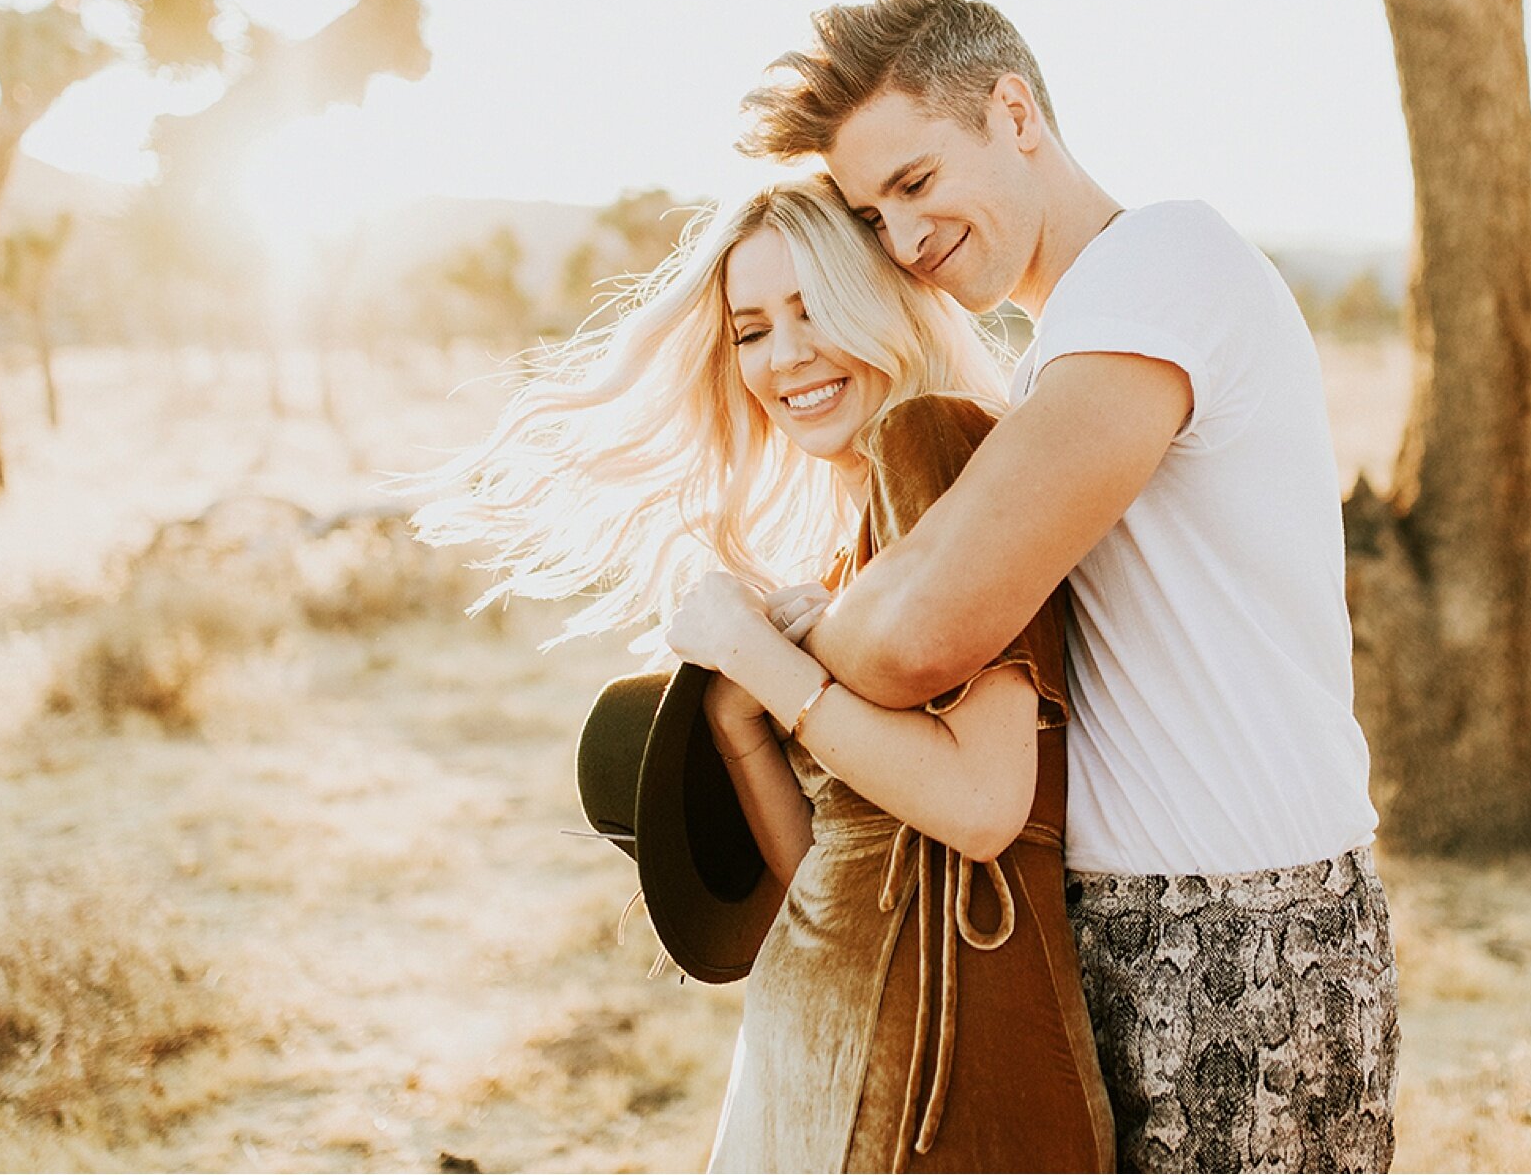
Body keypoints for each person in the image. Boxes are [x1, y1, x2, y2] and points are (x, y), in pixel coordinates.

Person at [736, 0, 1400, 1173]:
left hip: (1238, 939)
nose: (902, 237)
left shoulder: (1161, 268)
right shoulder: (1069, 340)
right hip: (1122, 927)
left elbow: (922, 628)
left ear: (1013, 110)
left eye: (916, 182)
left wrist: (777, 644)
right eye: (873, 216)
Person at [408, 179, 1112, 1173]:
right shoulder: (845, 550)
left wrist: (759, 661)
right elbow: (826, 872)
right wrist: (742, 721)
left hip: (927, 1067)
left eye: (811, 307)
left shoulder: (938, 451)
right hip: (809, 1033)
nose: (783, 356)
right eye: (749, 330)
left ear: (886, 306)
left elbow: (984, 802)